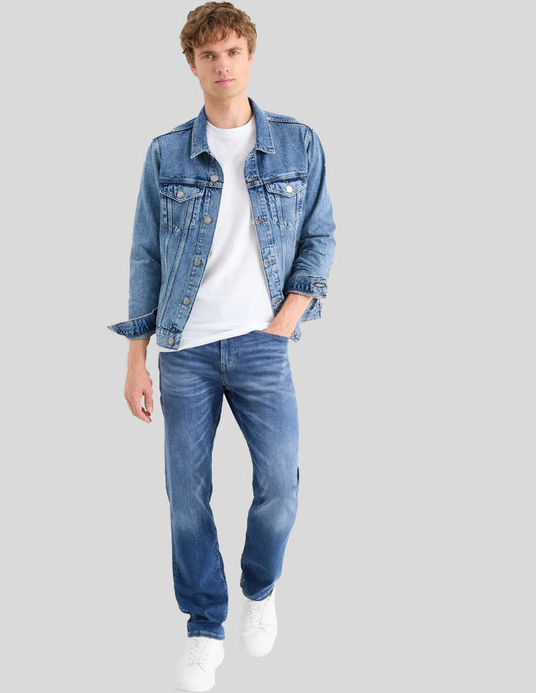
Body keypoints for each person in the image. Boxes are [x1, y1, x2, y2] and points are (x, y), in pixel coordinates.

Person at [109, 2, 336, 690]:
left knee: (279, 485)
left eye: (232, 51)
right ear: (192, 65)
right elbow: (145, 255)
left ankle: (259, 590)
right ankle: (204, 626)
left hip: (263, 345)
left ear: (250, 57)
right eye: (208, 55)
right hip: (185, 350)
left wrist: (288, 316)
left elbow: (320, 234)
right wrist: (135, 357)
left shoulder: (297, 142)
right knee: (186, 495)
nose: (222, 65)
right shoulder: (165, 152)